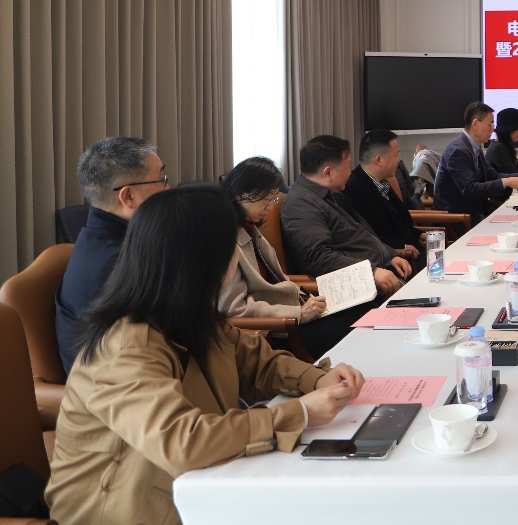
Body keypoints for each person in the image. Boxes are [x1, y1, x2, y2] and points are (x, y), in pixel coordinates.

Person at [45, 184, 364, 525]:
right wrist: (298, 413)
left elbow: (256, 362)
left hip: (190, 490)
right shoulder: (125, 345)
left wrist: (316, 379)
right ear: (205, 259)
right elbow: (183, 442)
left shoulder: (187, 312)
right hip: (125, 511)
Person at [220, 157, 371, 359]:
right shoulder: (225, 239)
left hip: (294, 313)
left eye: (273, 199)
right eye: (266, 199)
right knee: (361, 321)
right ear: (241, 194)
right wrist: (298, 314)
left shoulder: (250, 229)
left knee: (366, 308)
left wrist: (308, 301)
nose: (270, 207)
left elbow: (277, 280)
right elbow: (235, 309)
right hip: (279, 328)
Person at [54, 136, 169, 374]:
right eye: (162, 180)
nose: (168, 189)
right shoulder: (115, 265)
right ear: (128, 197)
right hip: (117, 389)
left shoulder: (109, 239)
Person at [281, 135, 412, 298]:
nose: (350, 173)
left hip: (379, 274)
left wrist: (389, 255)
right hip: (359, 288)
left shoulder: (330, 194)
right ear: (328, 172)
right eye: (347, 166)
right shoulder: (301, 204)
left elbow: (362, 233)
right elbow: (319, 258)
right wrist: (371, 271)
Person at [436, 101, 518, 226]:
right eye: (490, 124)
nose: (493, 129)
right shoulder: (458, 151)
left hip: (476, 213)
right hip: (457, 220)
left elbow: (493, 175)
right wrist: (507, 182)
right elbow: (469, 189)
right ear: (476, 124)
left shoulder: (474, 148)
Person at [343, 129, 424, 266]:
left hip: (414, 250)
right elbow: (365, 236)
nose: (399, 160)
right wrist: (401, 247)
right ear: (379, 160)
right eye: (395, 155)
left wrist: (419, 234)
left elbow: (399, 222)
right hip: (396, 260)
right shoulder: (353, 188)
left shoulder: (382, 181)